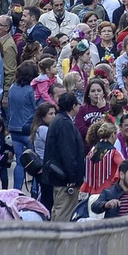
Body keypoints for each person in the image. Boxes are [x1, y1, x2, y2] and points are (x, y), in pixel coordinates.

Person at [44, 92, 87, 222]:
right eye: (77, 104)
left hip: (61, 177)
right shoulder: (64, 124)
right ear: (73, 106)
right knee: (64, 213)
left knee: (58, 211)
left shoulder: (60, 120)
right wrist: (72, 177)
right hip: (65, 179)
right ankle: (60, 236)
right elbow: (68, 152)